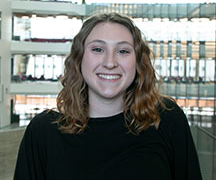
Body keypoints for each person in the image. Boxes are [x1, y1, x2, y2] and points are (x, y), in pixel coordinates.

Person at [14, 13, 202, 180]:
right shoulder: (43, 132)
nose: (110, 62)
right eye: (98, 49)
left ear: (137, 62)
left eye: (123, 51)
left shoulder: (166, 118)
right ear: (79, 59)